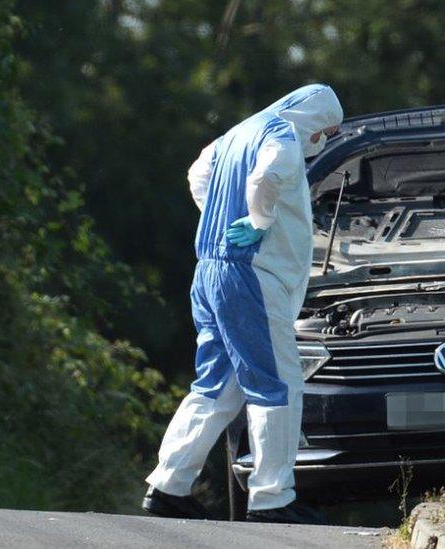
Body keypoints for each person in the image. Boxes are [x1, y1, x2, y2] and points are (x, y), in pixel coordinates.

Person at [142, 84, 343, 523]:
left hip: (210, 269)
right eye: (325, 130)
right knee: (278, 383)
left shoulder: (235, 135)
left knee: (217, 384)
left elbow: (198, 173)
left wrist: (220, 212)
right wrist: (257, 220)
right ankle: (273, 498)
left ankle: (168, 486)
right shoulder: (283, 135)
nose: (322, 140)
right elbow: (268, 176)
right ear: (312, 117)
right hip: (252, 274)